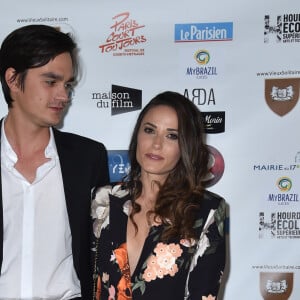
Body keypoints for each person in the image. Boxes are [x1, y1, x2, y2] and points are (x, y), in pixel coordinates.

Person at [0, 24, 109, 299]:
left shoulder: (88, 158)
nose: (64, 96)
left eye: (68, 84)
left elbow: (102, 253)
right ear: (13, 80)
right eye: (51, 82)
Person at [91, 91, 226, 300]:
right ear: (137, 134)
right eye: (149, 130)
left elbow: (203, 293)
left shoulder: (207, 211)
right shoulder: (103, 199)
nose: (156, 143)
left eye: (172, 135)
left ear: (186, 147)